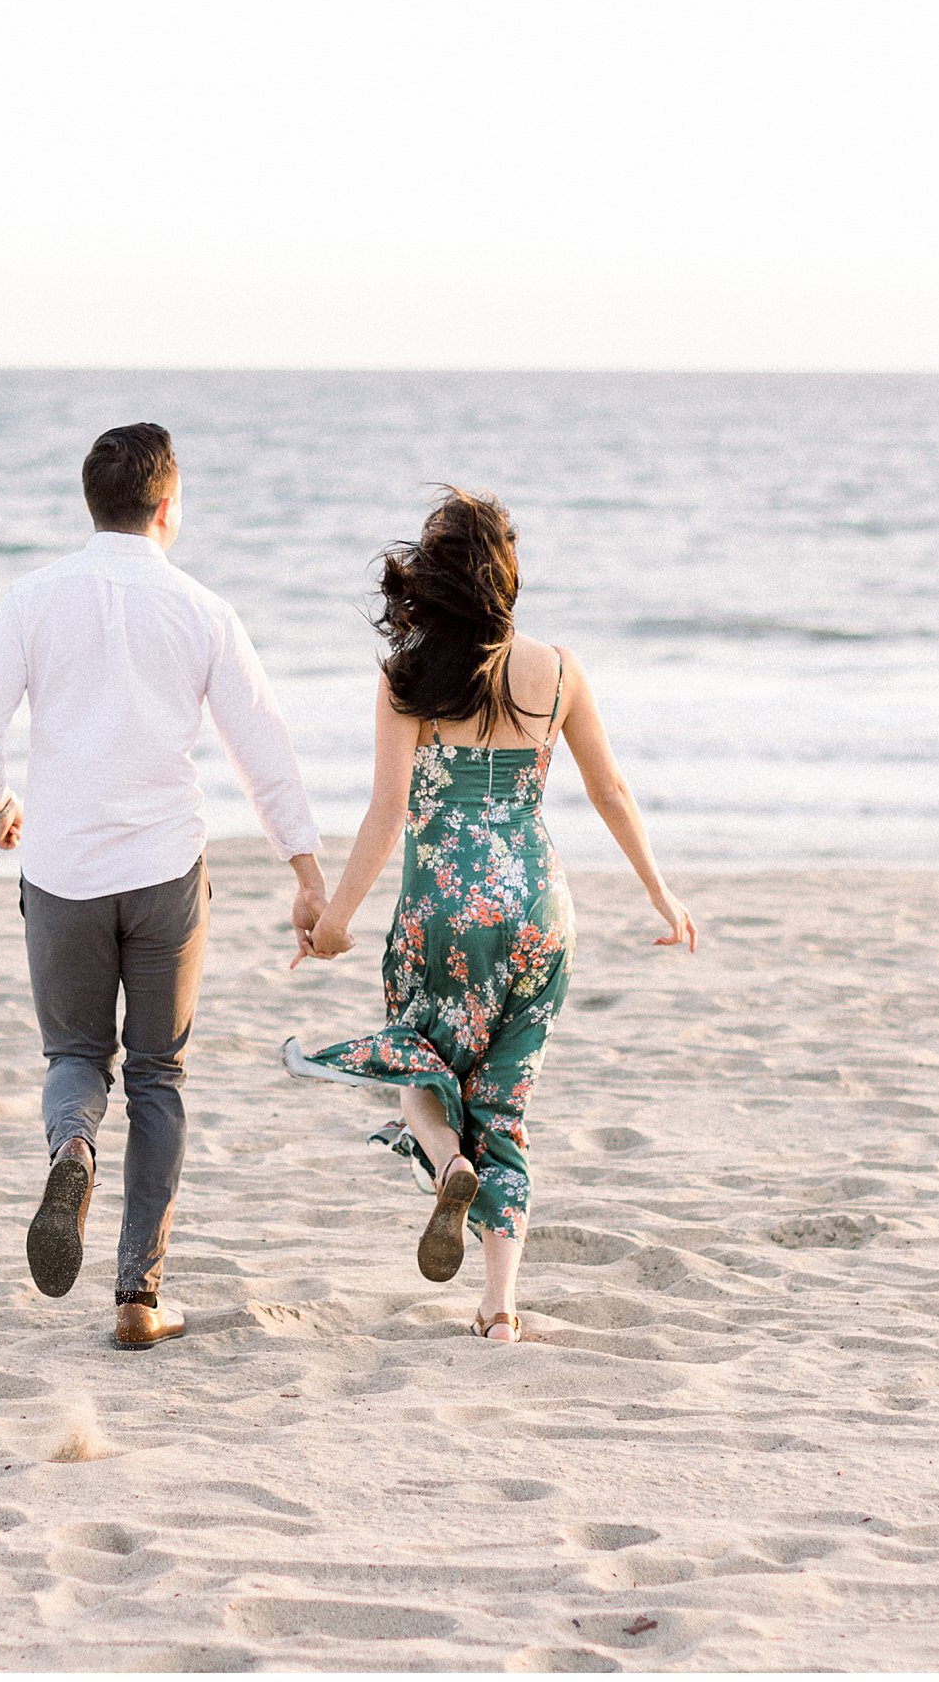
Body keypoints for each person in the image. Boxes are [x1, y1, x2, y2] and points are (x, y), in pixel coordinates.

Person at [285, 487, 695, 1343]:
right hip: (540, 908)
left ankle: (448, 1167)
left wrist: (333, 923)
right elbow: (609, 792)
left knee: (420, 1068)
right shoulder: (559, 670)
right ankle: (498, 1308)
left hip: (443, 905)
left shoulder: (407, 679)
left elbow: (387, 810)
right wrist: (661, 892)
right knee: (504, 1099)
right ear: (508, 577)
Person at [0, 423, 326, 1350]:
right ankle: (137, 1298)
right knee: (158, 1077)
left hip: (64, 870)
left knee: (75, 1060)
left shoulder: (34, 598)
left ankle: (71, 1149)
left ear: (93, 505)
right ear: (167, 506)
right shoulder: (202, 609)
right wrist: (306, 868)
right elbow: (261, 746)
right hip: (164, 873)